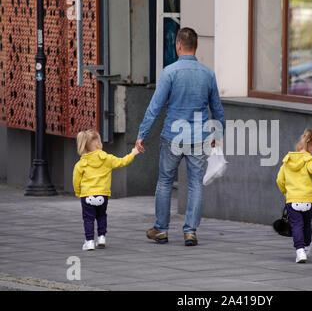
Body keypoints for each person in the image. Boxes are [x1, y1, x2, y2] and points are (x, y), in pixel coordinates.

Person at [136, 27, 225, 247]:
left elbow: (154, 107)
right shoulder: (208, 74)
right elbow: (218, 109)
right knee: (195, 184)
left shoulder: (169, 72)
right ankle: (190, 232)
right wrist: (217, 135)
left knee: (165, 182)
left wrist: (142, 134)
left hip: (173, 137)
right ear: (196, 46)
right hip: (199, 137)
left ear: (178, 46)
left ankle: (161, 229)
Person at [73, 129, 140, 251]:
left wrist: (78, 192)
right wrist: (133, 153)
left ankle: (89, 241)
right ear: (99, 145)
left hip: (87, 195)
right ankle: (102, 237)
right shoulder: (106, 159)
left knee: (88, 218)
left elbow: (76, 180)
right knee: (101, 216)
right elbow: (121, 162)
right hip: (103, 195)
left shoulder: (81, 164)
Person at [276, 129, 312, 263]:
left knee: (296, 225)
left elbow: (280, 180)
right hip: (308, 200)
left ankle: (300, 251)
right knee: (307, 224)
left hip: (293, 201)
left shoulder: (287, 161)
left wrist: (286, 193)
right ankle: (307, 244)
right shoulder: (309, 159)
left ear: (299, 145)